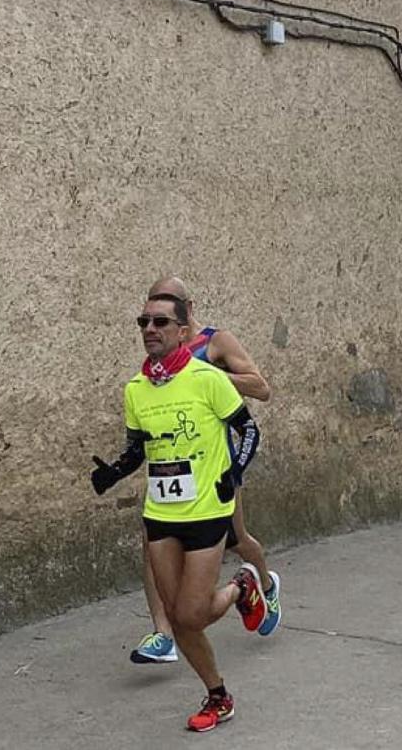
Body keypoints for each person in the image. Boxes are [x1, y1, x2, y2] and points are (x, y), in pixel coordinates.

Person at [91, 293, 265, 732]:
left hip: (207, 509)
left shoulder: (208, 378)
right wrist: (114, 472)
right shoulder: (136, 389)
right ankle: (218, 696)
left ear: (183, 332)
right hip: (161, 514)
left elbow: (248, 430)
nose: (150, 329)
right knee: (176, 616)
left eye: (161, 322)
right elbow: (139, 448)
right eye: (144, 322)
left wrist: (233, 474)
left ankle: (241, 587)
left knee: (192, 615)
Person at [127, 278, 280, 667]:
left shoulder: (216, 342)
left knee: (237, 539)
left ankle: (263, 584)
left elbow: (261, 388)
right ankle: (164, 634)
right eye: (148, 314)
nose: (153, 324)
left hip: (218, 464)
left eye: (166, 309)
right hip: (172, 471)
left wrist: (203, 375)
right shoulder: (162, 348)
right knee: (151, 543)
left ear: (188, 307)